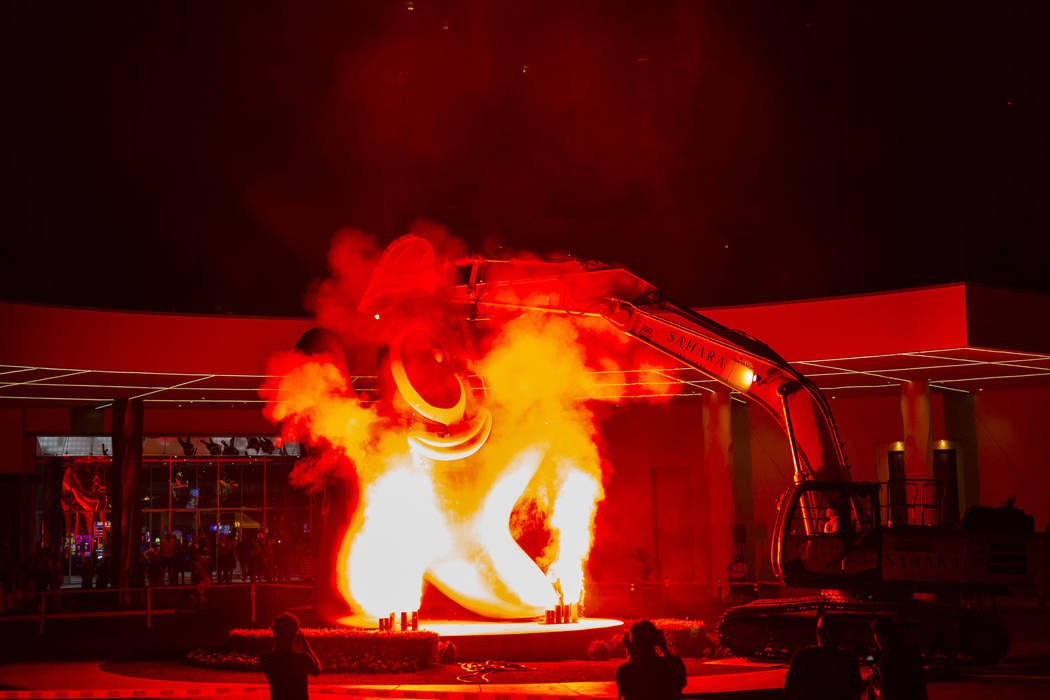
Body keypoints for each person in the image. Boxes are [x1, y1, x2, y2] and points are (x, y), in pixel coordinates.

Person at [784, 614, 864, 700]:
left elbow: (789, 690)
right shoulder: (849, 659)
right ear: (839, 633)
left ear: (818, 632)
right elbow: (856, 691)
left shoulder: (802, 656)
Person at [616, 619, 687, 700]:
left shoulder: (624, 671)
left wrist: (631, 651)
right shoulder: (675, 665)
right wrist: (664, 648)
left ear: (633, 642)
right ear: (655, 639)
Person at [260, 613, 321, 700]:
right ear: (295, 634)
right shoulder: (303, 659)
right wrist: (305, 645)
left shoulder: (266, 659)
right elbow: (317, 670)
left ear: (275, 632)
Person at [869, 617, 926, 700]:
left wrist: (875, 688)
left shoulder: (887, 659)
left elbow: (886, 694)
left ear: (879, 635)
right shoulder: (913, 653)